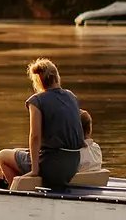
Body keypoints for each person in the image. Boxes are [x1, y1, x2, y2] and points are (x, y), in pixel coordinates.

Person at [18, 59, 86, 190]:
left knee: (4, 156)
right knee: (17, 152)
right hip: (73, 163)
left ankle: (16, 197)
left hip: (52, 165)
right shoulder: (71, 96)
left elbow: (35, 137)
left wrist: (34, 170)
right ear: (56, 76)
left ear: (38, 81)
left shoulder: (36, 100)